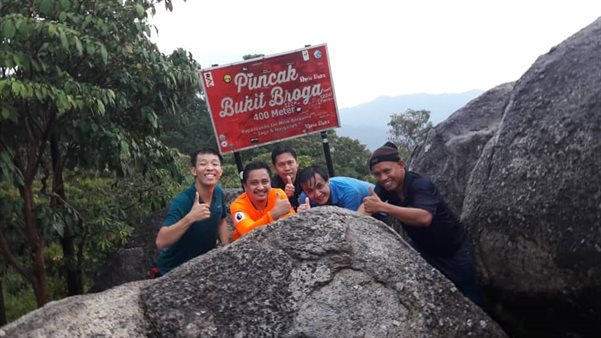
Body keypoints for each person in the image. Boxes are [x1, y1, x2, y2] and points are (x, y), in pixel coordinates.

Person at [361, 142, 485, 308]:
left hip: (453, 250)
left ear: (401, 165)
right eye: (377, 174)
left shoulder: (420, 184)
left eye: (387, 171)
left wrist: (383, 207)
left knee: (470, 298)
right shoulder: (386, 186)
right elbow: (368, 205)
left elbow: (424, 217)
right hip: (423, 248)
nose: (383, 178)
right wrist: (351, 219)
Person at [154, 148, 229, 277]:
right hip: (172, 271)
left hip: (202, 267)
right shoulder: (183, 201)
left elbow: (221, 220)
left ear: (221, 170)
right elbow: (161, 241)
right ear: (194, 171)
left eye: (215, 164)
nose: (210, 168)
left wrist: (226, 248)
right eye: (203, 164)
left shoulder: (218, 193)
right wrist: (190, 218)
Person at [230, 161, 297, 241]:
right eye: (254, 183)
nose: (261, 187)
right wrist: (272, 215)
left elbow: (291, 221)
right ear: (245, 186)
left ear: (270, 182)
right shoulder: (238, 205)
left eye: (265, 182)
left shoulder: (278, 195)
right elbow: (247, 233)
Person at [298, 165, 374, 212]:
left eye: (320, 186)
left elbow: (349, 224)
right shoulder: (304, 198)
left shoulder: (349, 193)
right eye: (310, 191)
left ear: (328, 181)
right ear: (305, 191)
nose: (317, 194)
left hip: (376, 202)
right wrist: (303, 216)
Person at [271, 145, 302, 210]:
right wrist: (285, 196)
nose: (287, 168)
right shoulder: (271, 187)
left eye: (290, 162)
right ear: (274, 168)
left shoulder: (308, 178)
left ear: (297, 163)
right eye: (281, 164)